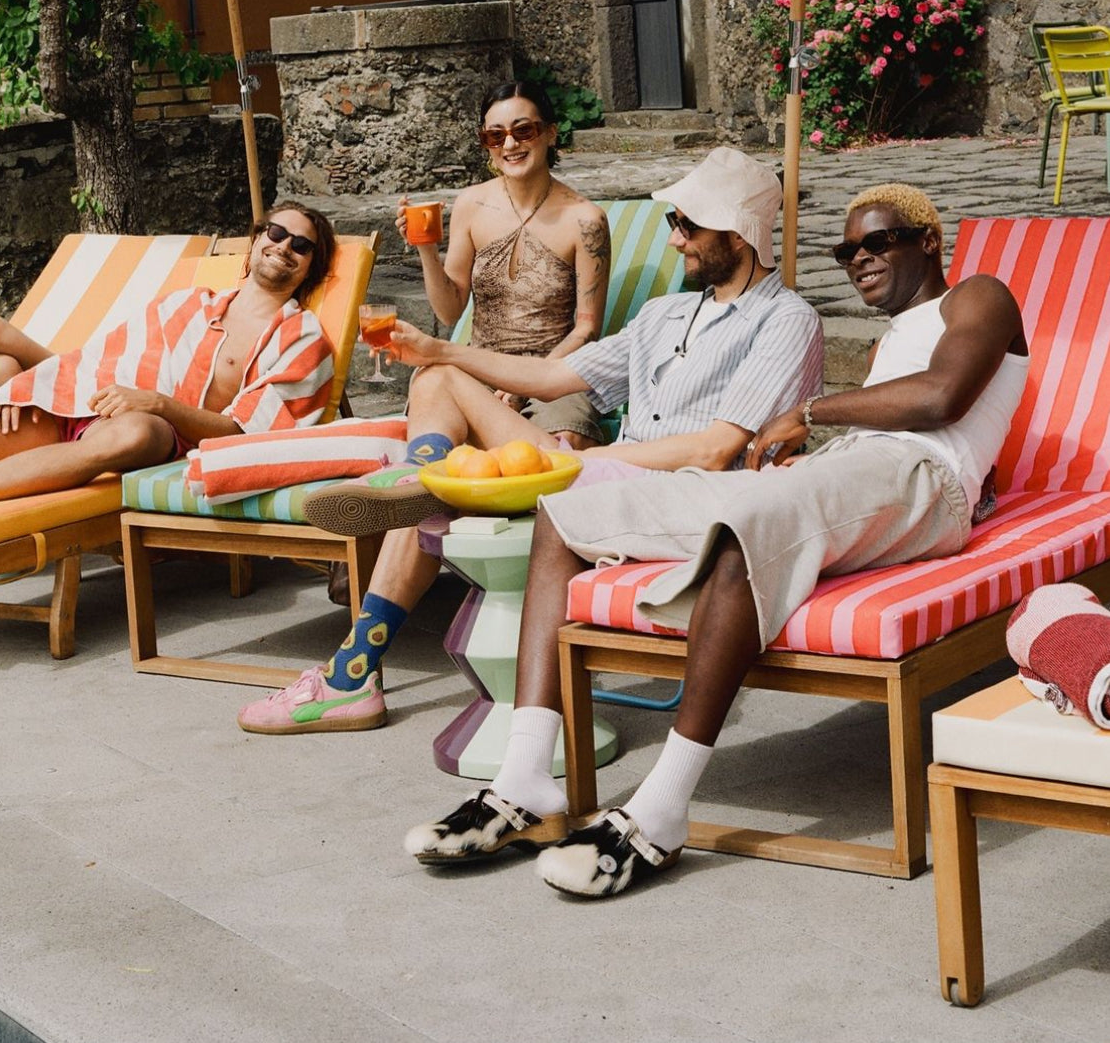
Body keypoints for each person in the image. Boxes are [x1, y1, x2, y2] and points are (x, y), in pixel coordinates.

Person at [404, 183, 1030, 899]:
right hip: (850, 471)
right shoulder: (892, 338)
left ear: (928, 240)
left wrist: (807, 410)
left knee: (749, 523)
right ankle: (524, 783)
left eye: (877, 241)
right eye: (845, 249)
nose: (858, 258)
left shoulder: (979, 295)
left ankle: (661, 813)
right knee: (567, 511)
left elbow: (941, 398)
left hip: (922, 480)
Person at [236, 147, 824, 735]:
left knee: (444, 491)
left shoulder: (785, 320)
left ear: (738, 234)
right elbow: (550, 377)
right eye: (673, 224)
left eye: (687, 225)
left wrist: (592, 458)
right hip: (601, 476)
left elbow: (713, 450)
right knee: (439, 380)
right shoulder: (664, 315)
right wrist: (436, 348)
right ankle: (419, 480)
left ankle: (350, 673)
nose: (675, 240)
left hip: (676, 499)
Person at [0, 204, 336, 515]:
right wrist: (21, 388)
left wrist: (155, 403)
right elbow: (93, 359)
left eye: (301, 245)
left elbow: (247, 434)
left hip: (158, 431)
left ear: (311, 267)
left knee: (134, 433)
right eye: (277, 233)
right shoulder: (185, 303)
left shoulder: (302, 339)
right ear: (256, 238)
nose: (284, 247)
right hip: (83, 402)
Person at [399, 79, 610, 448]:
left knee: (564, 443)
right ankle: (421, 483)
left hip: (552, 372)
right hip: (479, 363)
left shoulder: (585, 220)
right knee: (434, 406)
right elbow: (449, 313)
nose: (509, 145)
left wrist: (524, 383)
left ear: (550, 134)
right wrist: (427, 250)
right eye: (495, 137)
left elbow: (587, 330)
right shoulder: (471, 204)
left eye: (523, 131)